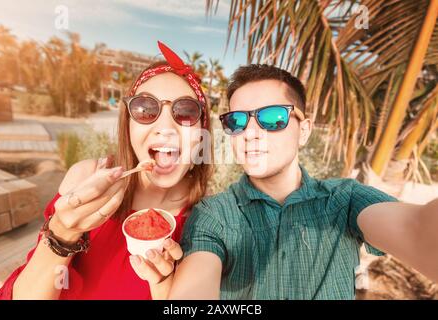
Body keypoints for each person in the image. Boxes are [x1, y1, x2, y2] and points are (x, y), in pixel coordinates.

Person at [167, 64, 438, 300]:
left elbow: (417, 231)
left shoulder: (345, 200)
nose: (249, 133)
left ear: (304, 131)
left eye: (272, 118)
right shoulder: (214, 215)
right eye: (236, 121)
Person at [0, 41, 213, 300]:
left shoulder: (210, 222)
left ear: (202, 134)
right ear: (128, 125)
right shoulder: (84, 178)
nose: (165, 127)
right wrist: (62, 233)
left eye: (186, 111)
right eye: (146, 109)